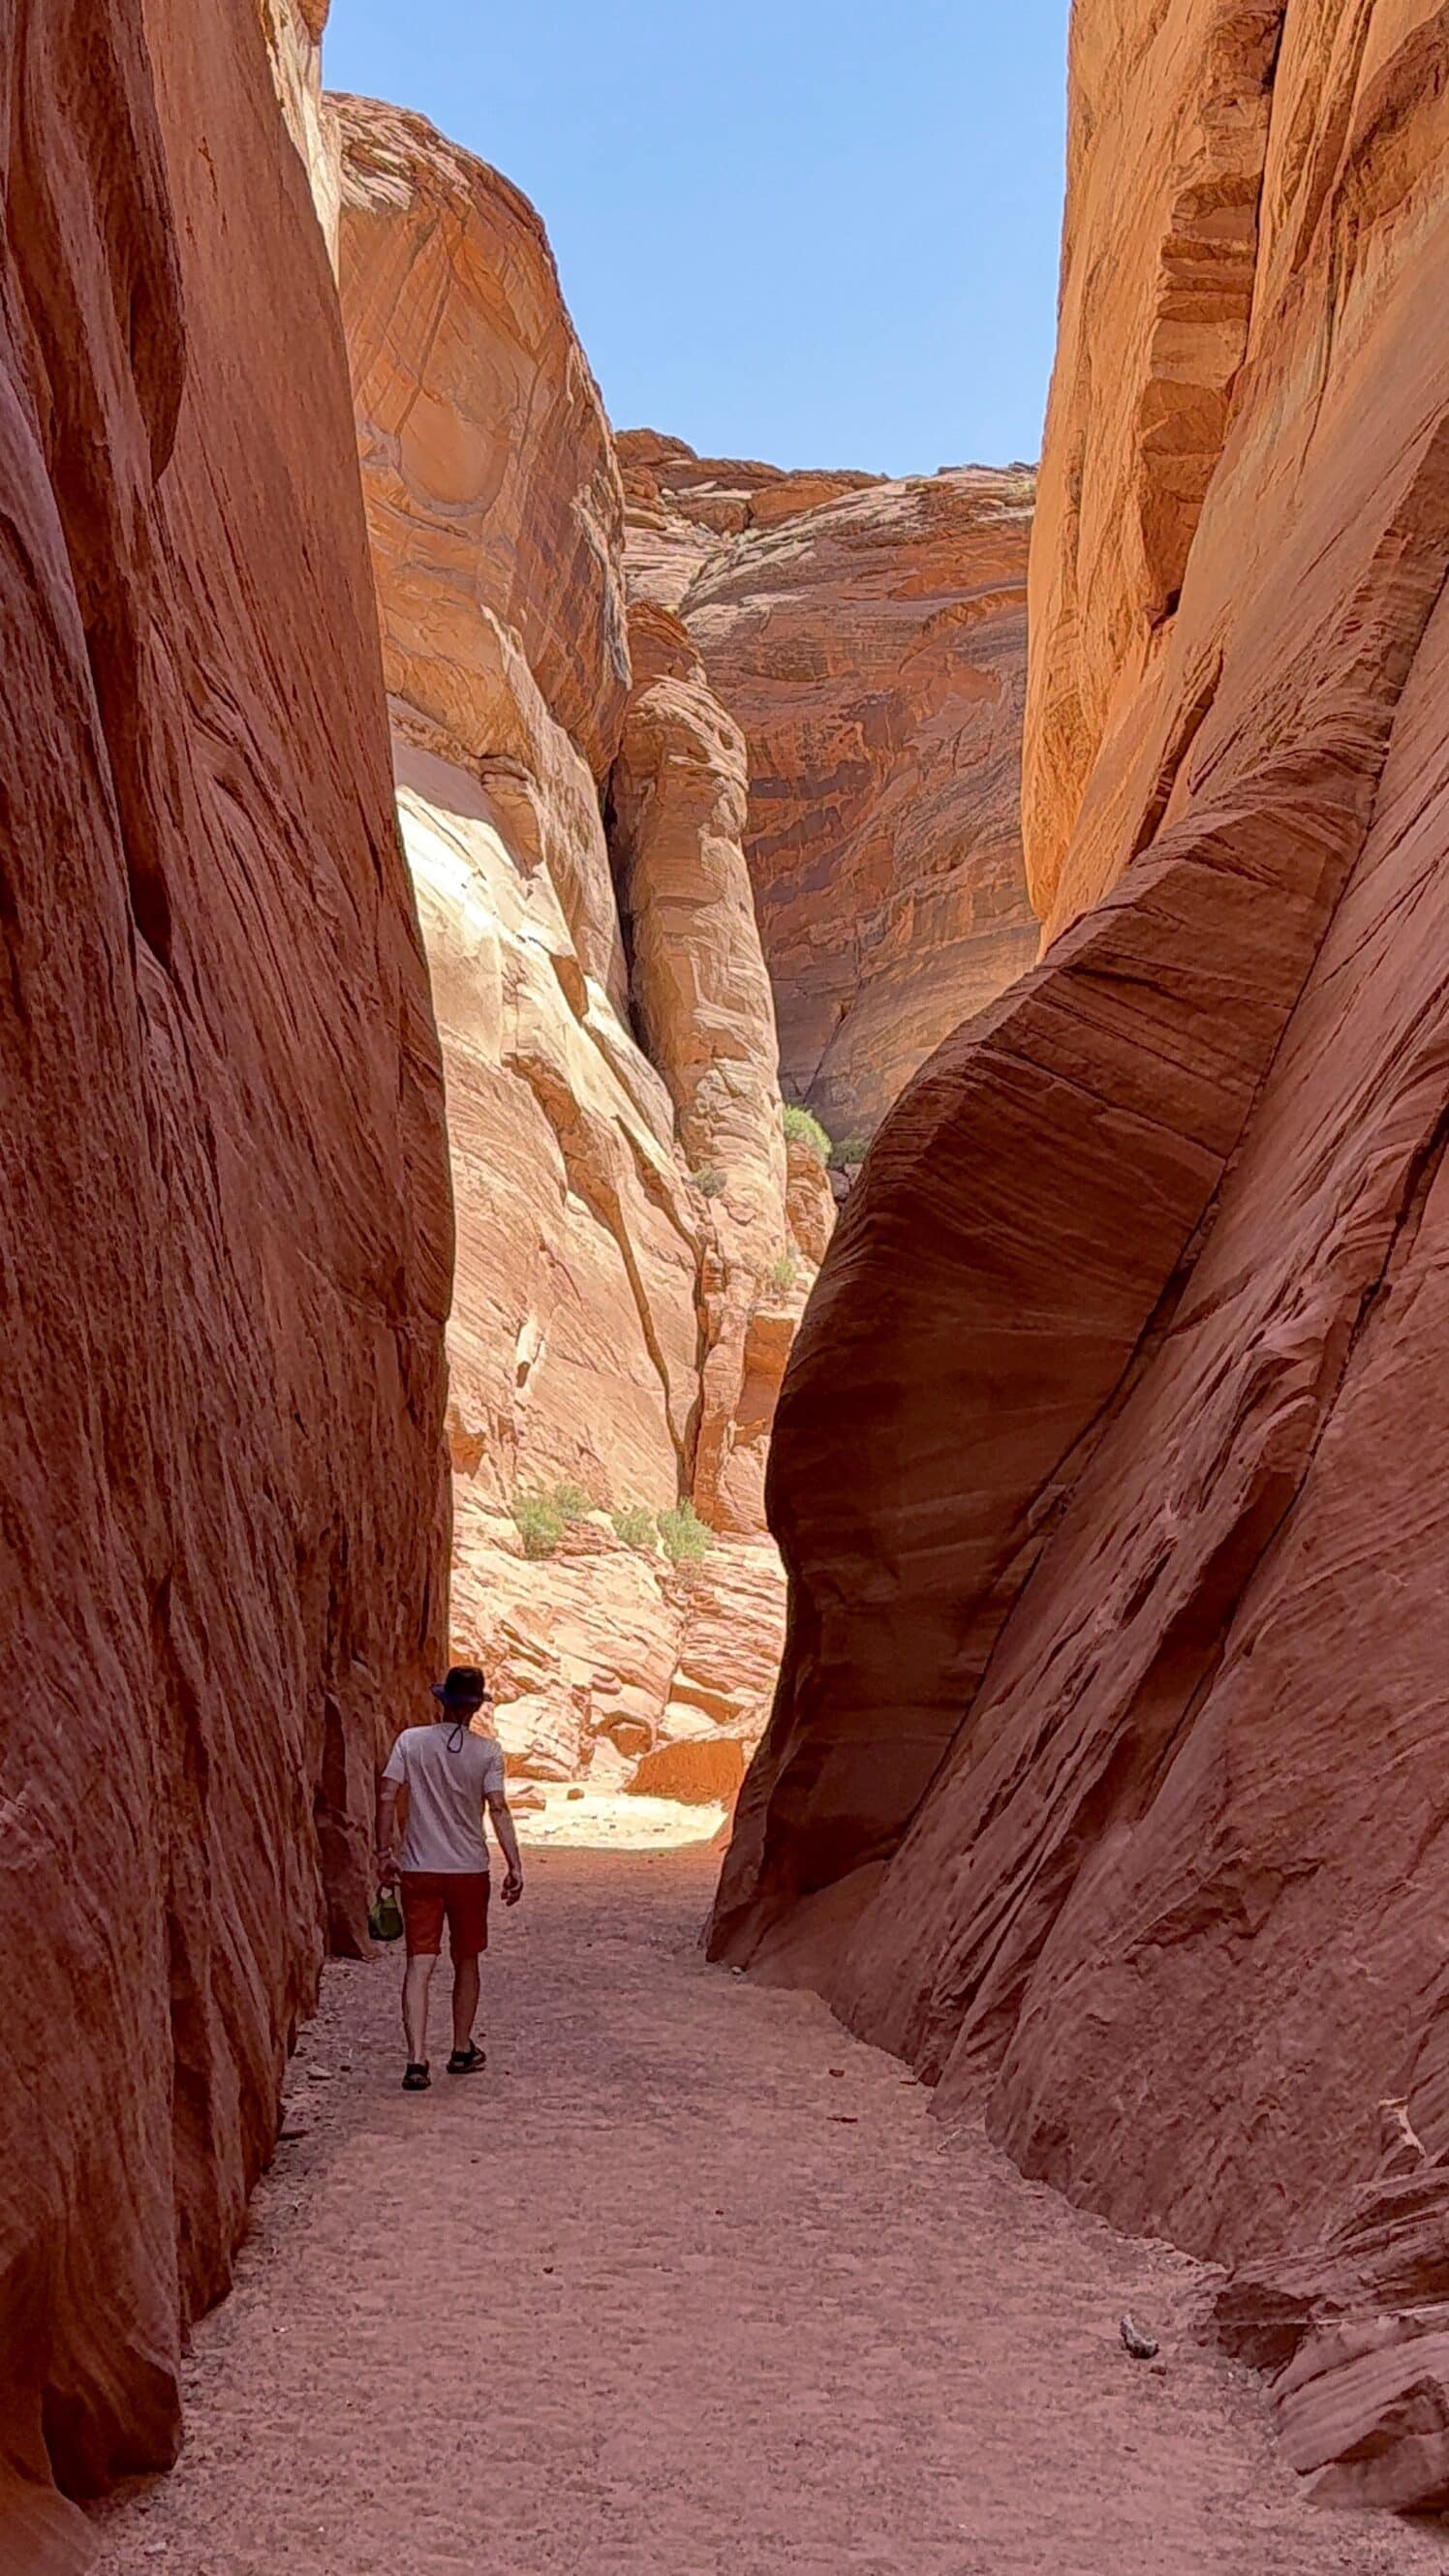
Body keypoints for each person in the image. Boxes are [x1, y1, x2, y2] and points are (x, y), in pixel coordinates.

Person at [375, 1664, 524, 2092]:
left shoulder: (410, 1741)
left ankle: (416, 2059)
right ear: (477, 1706)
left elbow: (388, 1794)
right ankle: (460, 2049)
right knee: (467, 1958)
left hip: (419, 1869)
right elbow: (498, 1808)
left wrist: (383, 1852)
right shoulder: (488, 1753)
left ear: (442, 1701)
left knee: (419, 1964)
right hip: (468, 1872)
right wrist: (514, 1864)